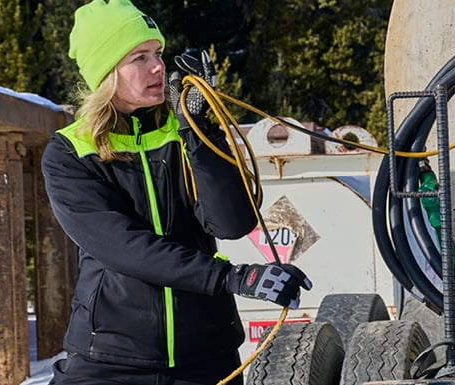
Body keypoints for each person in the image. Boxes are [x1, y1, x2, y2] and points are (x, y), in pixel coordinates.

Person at [41, 1, 312, 384]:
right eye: (139, 57)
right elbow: (125, 247)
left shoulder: (182, 132)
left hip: (206, 354)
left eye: (158, 53)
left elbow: (232, 222)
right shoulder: (70, 152)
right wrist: (232, 277)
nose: (157, 67)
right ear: (106, 73)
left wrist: (199, 128)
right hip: (110, 359)